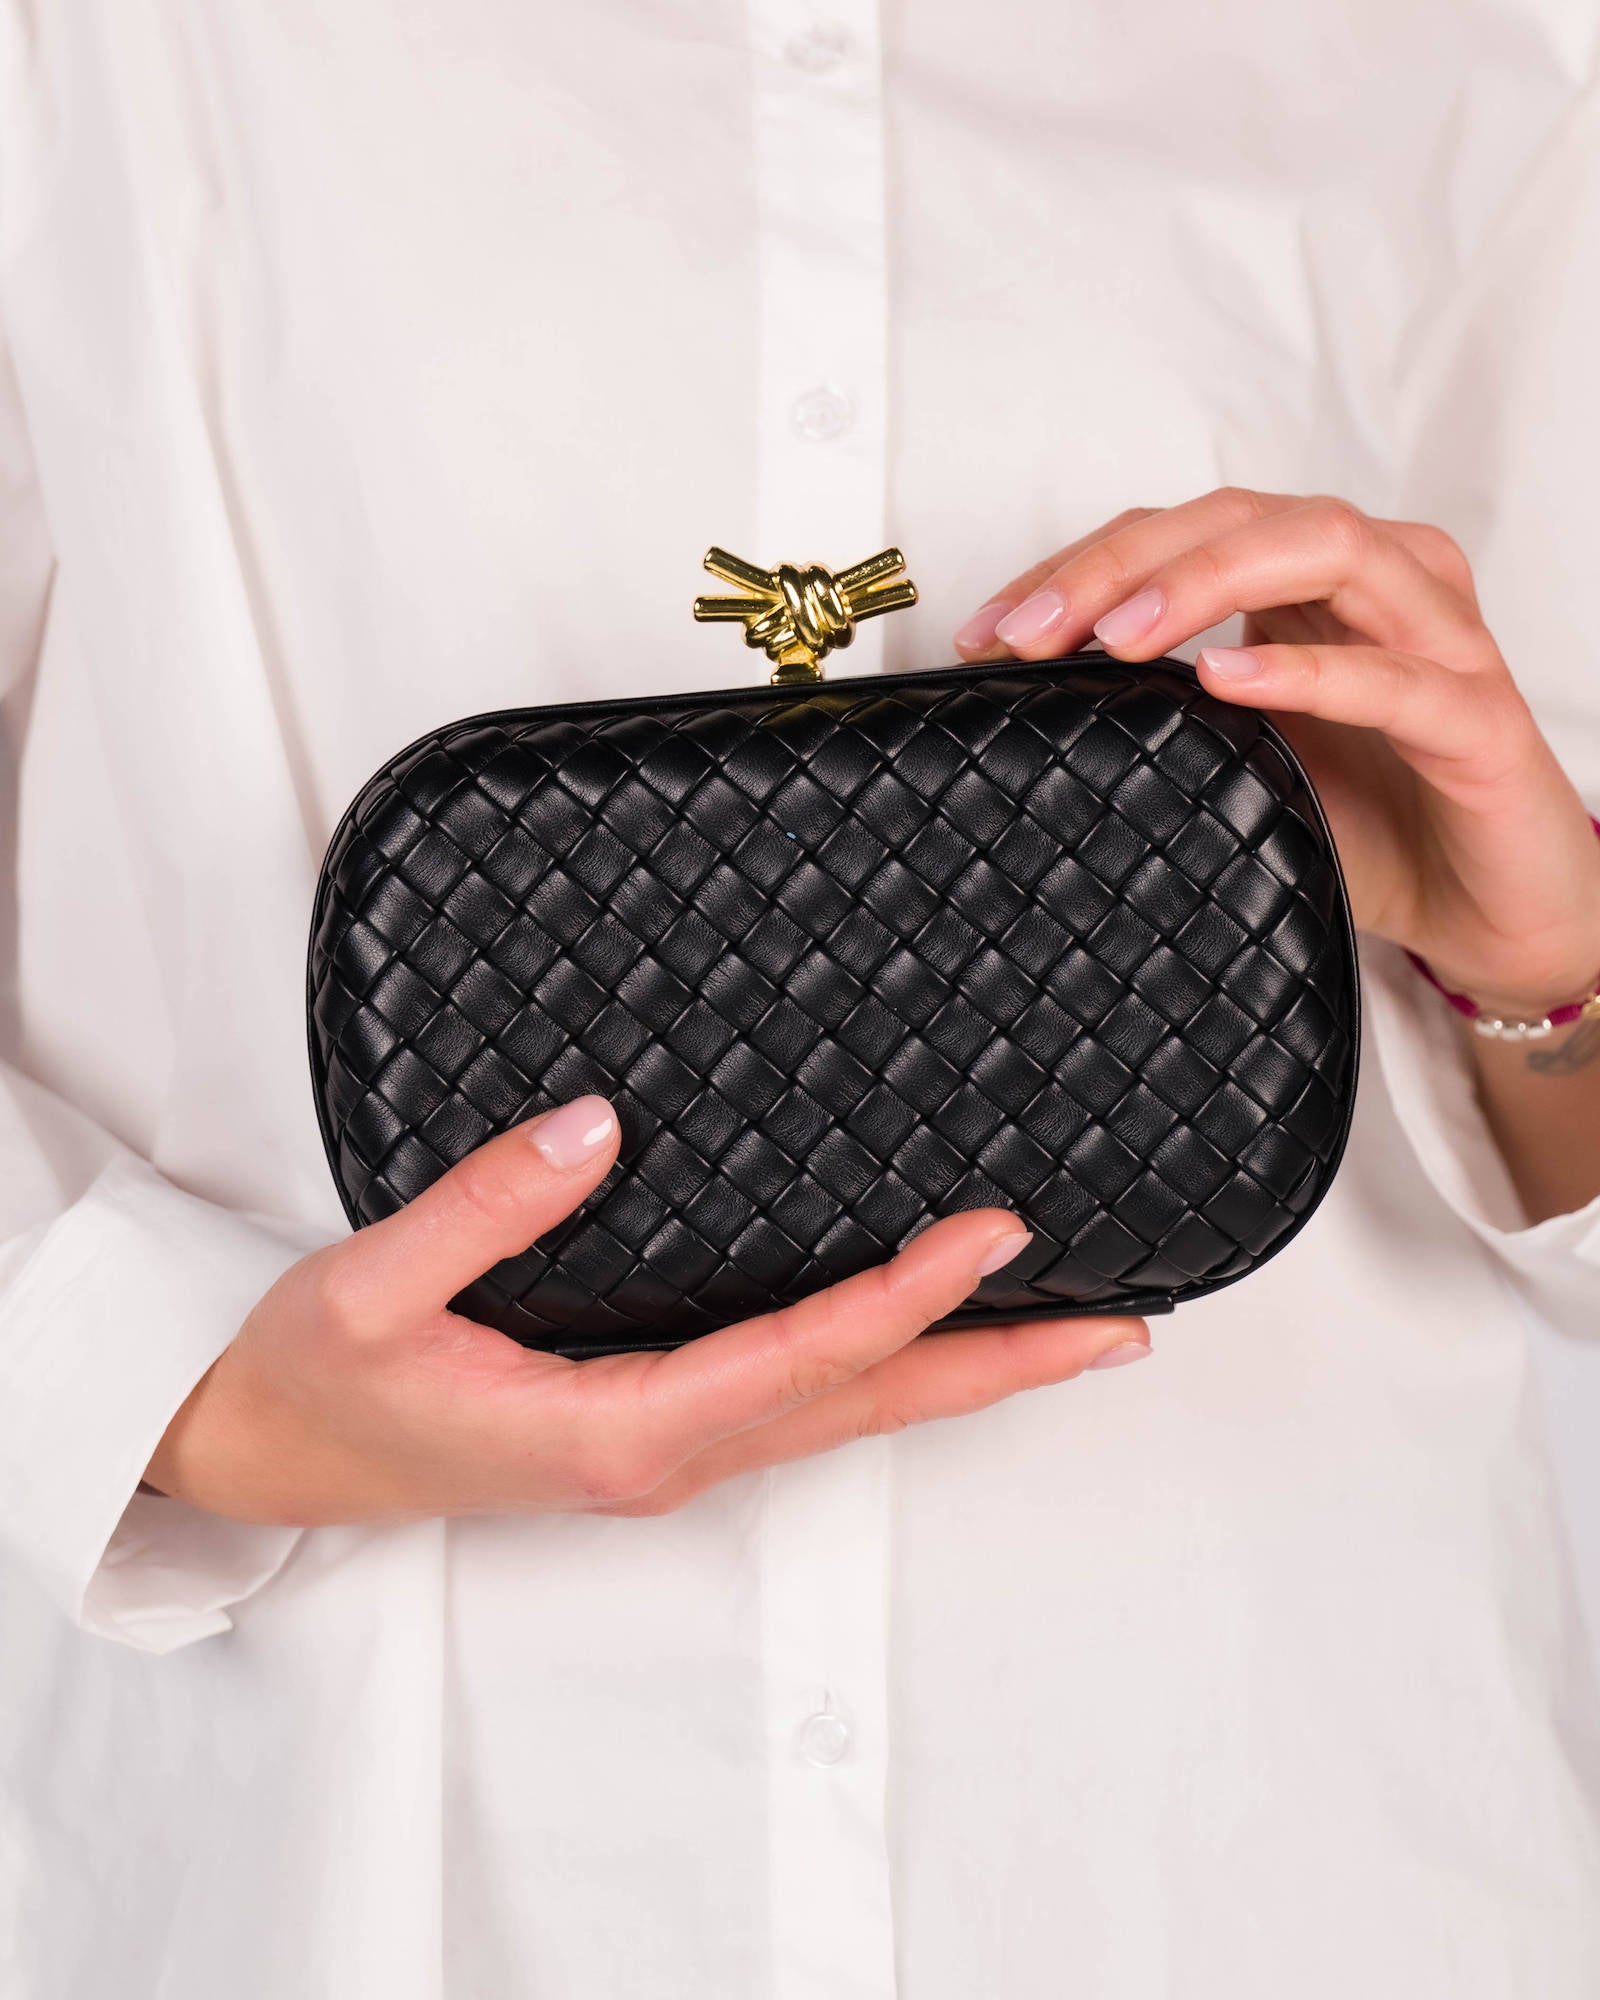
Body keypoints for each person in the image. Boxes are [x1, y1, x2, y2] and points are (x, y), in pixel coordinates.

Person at [3, 4, 1599, 1995]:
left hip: (1275, 1823)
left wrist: (1548, 974)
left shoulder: (1486, 50)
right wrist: (195, 1405)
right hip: (392, 1846)